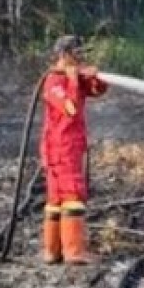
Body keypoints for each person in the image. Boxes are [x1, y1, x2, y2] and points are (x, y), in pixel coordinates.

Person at [39, 35, 108, 265]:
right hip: (61, 148)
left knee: (57, 198)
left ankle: (53, 252)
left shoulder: (71, 78)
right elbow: (70, 108)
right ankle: (74, 252)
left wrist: (96, 78)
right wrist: (72, 80)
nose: (81, 58)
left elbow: (96, 91)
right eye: (77, 53)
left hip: (67, 146)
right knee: (72, 195)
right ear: (64, 55)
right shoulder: (53, 82)